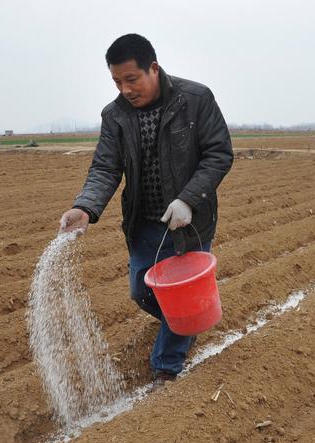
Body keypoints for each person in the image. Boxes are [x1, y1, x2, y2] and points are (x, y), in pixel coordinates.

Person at [59, 34, 233, 388]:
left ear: (153, 68)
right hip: (144, 222)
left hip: (189, 221)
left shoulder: (195, 99)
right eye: (117, 82)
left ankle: (166, 368)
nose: (125, 89)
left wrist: (188, 198)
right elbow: (106, 168)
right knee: (142, 291)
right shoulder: (115, 116)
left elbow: (219, 154)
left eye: (131, 79)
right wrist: (85, 208)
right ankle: (185, 324)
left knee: (182, 292)